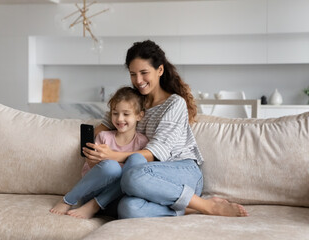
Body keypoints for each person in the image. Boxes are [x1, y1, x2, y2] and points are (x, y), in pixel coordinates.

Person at [83, 40, 248, 218]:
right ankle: (185, 207)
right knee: (127, 209)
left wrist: (113, 156)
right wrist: (95, 150)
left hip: (181, 172)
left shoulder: (174, 104)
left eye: (144, 73)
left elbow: (154, 153)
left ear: (160, 70)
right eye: (133, 74)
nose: (138, 80)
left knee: (132, 176)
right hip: (145, 177)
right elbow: (102, 129)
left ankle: (206, 206)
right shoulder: (130, 103)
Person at [50, 86, 148, 219]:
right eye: (115, 113)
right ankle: (67, 200)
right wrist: (92, 163)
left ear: (139, 115)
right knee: (111, 167)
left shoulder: (142, 143)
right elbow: (88, 172)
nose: (119, 119)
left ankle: (96, 206)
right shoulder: (104, 137)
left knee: (137, 161)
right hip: (93, 192)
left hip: (117, 199)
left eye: (126, 114)